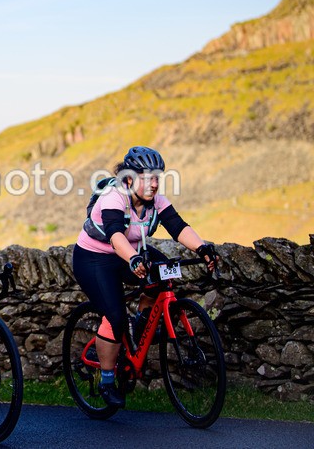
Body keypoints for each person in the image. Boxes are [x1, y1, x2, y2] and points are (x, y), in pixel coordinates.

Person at [72, 146, 218, 407]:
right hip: (94, 258)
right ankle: (107, 381)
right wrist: (133, 259)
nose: (154, 184)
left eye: (157, 177)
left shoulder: (157, 202)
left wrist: (202, 248)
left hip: (131, 253)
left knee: (162, 275)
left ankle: (141, 323)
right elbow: (115, 234)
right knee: (115, 317)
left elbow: (178, 226)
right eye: (147, 178)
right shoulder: (114, 196)